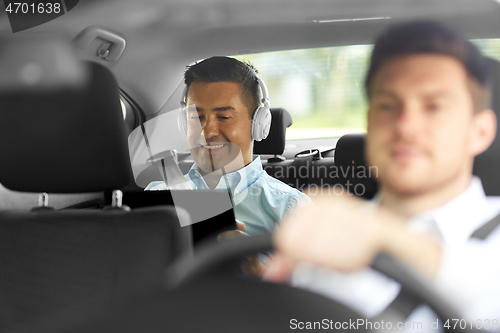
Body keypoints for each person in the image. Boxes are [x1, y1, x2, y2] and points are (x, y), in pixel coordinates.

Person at [265, 21, 500, 326]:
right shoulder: (317, 251)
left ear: (479, 131)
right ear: (370, 121)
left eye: (434, 107)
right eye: (388, 106)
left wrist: (388, 236)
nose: (405, 125)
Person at [146, 56, 309, 236]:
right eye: (196, 118)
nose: (207, 133)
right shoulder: (156, 197)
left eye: (223, 117)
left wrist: (255, 262)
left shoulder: (292, 208)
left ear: (258, 123)